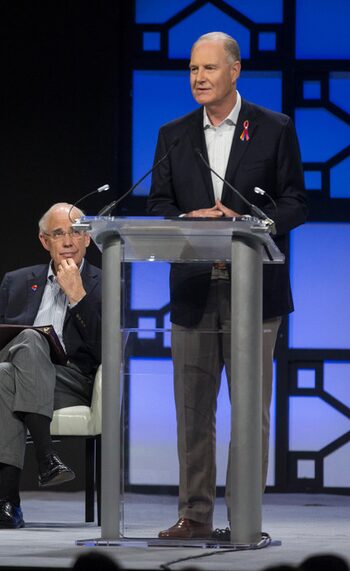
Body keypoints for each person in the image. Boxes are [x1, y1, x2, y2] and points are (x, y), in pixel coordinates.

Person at [147, 32, 307, 538]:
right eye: (193, 69)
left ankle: (245, 520)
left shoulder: (274, 128)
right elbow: (157, 206)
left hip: (254, 291)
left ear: (234, 71)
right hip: (194, 289)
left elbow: (296, 202)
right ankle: (195, 515)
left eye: (209, 69)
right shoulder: (173, 134)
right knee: (192, 412)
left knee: (249, 416)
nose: (198, 78)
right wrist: (188, 218)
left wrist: (248, 220)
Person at [0, 203, 101, 529]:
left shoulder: (106, 282)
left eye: (75, 232)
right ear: (45, 241)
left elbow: (106, 349)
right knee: (28, 343)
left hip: (68, 379)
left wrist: (78, 297)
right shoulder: (16, 281)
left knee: (2, 378)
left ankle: (7, 503)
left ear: (88, 238)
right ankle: (47, 457)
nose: (68, 240)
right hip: (17, 364)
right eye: (59, 234)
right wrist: (16, 344)